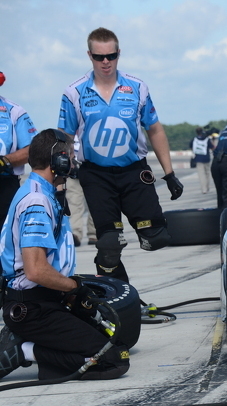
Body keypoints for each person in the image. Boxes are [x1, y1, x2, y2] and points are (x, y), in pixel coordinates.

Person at [0, 129, 129, 381]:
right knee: (112, 360)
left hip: (46, 300)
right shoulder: (36, 202)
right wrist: (75, 287)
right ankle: (24, 350)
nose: (73, 162)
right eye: (70, 156)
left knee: (117, 342)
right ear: (58, 160)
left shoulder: (45, 192)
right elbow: (35, 270)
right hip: (33, 307)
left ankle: (29, 341)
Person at [59, 27, 183, 283]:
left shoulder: (138, 87)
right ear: (89, 55)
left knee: (157, 238)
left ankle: (143, 231)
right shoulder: (74, 92)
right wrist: (60, 182)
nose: (106, 62)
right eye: (99, 57)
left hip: (134, 171)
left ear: (118, 54)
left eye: (111, 56)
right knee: (110, 243)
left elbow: (155, 130)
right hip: (96, 175)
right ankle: (117, 293)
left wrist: (169, 173)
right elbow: (65, 138)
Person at [0, 71, 37, 224]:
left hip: (5, 183)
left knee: (7, 240)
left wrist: (4, 161)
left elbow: (33, 149)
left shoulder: (14, 111)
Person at [190, 127, 213, 194]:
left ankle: (204, 189)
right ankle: (207, 187)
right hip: (206, 158)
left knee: (201, 175)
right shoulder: (207, 139)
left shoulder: (194, 139)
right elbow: (212, 147)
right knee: (207, 173)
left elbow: (191, 147)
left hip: (198, 158)